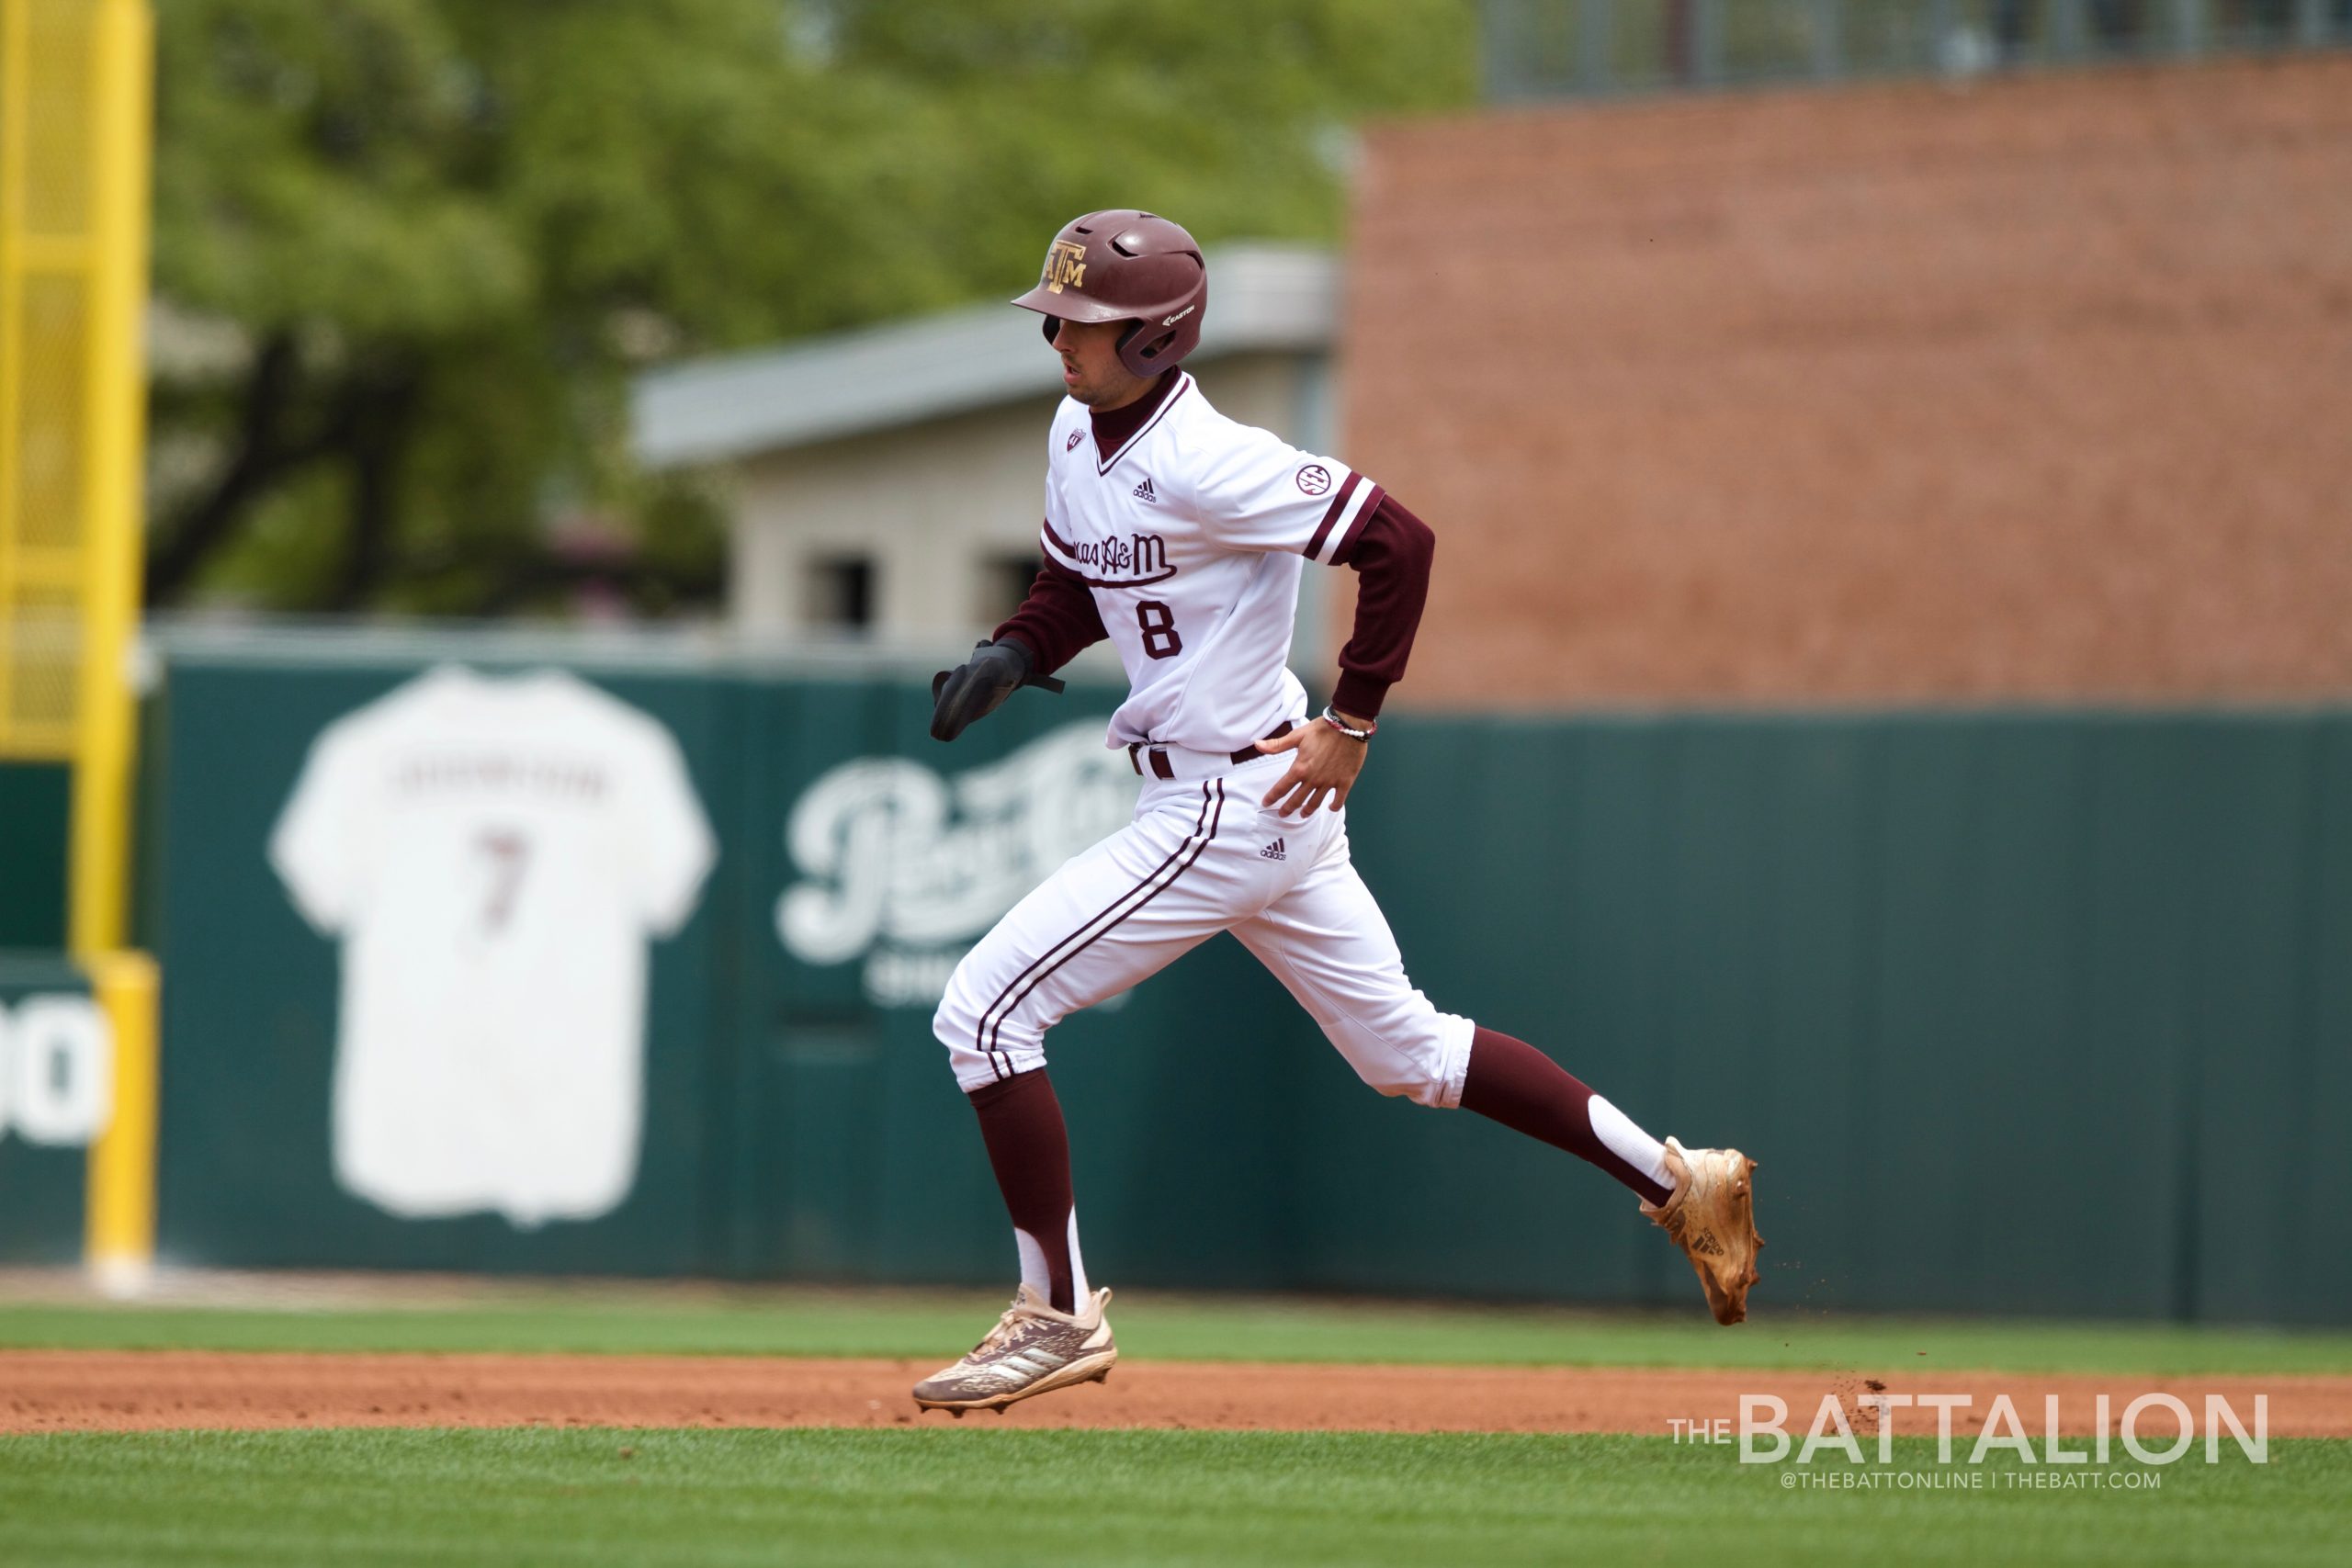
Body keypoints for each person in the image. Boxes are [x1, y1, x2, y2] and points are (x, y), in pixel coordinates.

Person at [911, 210, 1761, 1416]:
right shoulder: (1074, 431)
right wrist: (1011, 651)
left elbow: (1398, 541)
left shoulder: (1212, 456)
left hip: (1232, 798)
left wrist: (1353, 721)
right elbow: (1078, 580)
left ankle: (1055, 1314)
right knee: (1408, 1051)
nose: (1059, 334)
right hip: (1261, 802)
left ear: (1158, 336)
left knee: (984, 1014)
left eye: (1086, 321)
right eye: (1055, 314)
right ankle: (1682, 1179)